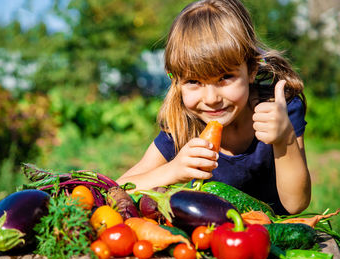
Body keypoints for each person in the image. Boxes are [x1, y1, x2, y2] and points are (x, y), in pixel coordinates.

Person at [117, 0, 311, 215]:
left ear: (252, 69)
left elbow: (296, 204)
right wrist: (172, 170)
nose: (211, 99)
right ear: (177, 82)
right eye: (194, 82)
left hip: (273, 241)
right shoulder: (183, 126)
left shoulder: (280, 112)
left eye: (225, 77)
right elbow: (117, 188)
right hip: (210, 240)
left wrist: (285, 138)